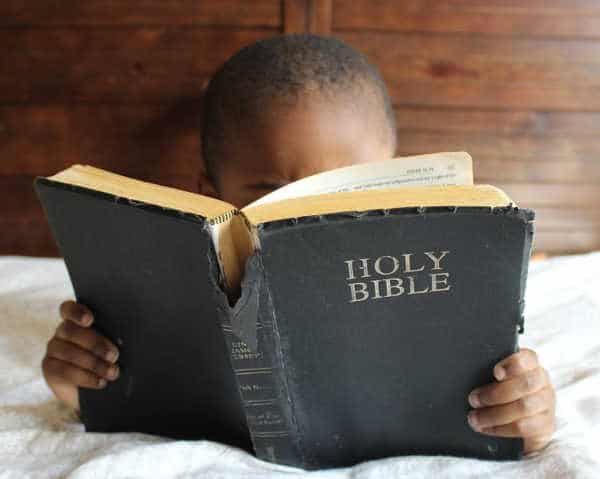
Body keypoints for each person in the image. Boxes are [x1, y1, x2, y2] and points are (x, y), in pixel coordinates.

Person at [42, 34, 555, 455]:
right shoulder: (169, 290)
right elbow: (112, 395)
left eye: (351, 187)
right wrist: (80, 380)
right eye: (272, 194)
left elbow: (510, 413)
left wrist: (523, 415)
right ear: (210, 195)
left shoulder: (442, 279)